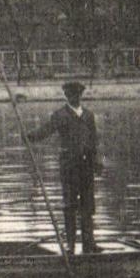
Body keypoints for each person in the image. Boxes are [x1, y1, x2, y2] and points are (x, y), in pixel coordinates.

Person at [34, 80, 102, 255]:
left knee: (88, 205)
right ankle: (70, 245)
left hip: (86, 166)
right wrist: (29, 136)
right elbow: (45, 131)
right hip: (69, 167)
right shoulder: (60, 115)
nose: (74, 98)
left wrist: (97, 161)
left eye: (77, 95)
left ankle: (89, 244)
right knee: (70, 205)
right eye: (71, 95)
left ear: (80, 95)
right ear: (66, 96)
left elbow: (93, 141)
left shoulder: (88, 116)